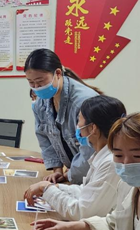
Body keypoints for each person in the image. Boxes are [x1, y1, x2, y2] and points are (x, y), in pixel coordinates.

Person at [32, 113, 140, 230]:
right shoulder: (127, 186)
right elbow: (115, 222)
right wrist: (69, 226)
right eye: (118, 155)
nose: (126, 163)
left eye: (138, 156)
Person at [23, 95, 125, 220]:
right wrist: (57, 188)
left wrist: (46, 188)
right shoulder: (101, 155)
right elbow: (87, 192)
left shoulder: (111, 163)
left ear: (92, 128)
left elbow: (81, 213)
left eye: (79, 120)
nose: (77, 126)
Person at [25, 48, 102, 185]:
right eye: (31, 82)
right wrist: (57, 170)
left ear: (58, 73)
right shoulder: (40, 103)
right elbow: (44, 138)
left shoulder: (83, 102)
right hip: (73, 174)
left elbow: (90, 150)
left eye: (40, 81)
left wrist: (69, 175)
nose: (36, 87)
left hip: (94, 174)